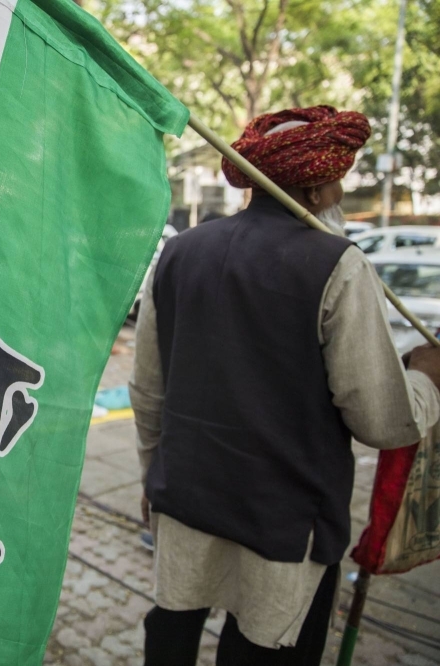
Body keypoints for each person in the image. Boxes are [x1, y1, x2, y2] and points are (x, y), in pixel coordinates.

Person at [129, 105, 440, 666]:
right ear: (320, 187)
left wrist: (153, 474)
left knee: (171, 638)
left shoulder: (179, 253)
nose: (343, 189)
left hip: (187, 497)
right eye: (339, 178)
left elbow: (147, 391)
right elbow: (382, 420)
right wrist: (424, 379)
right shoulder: (340, 265)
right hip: (283, 524)